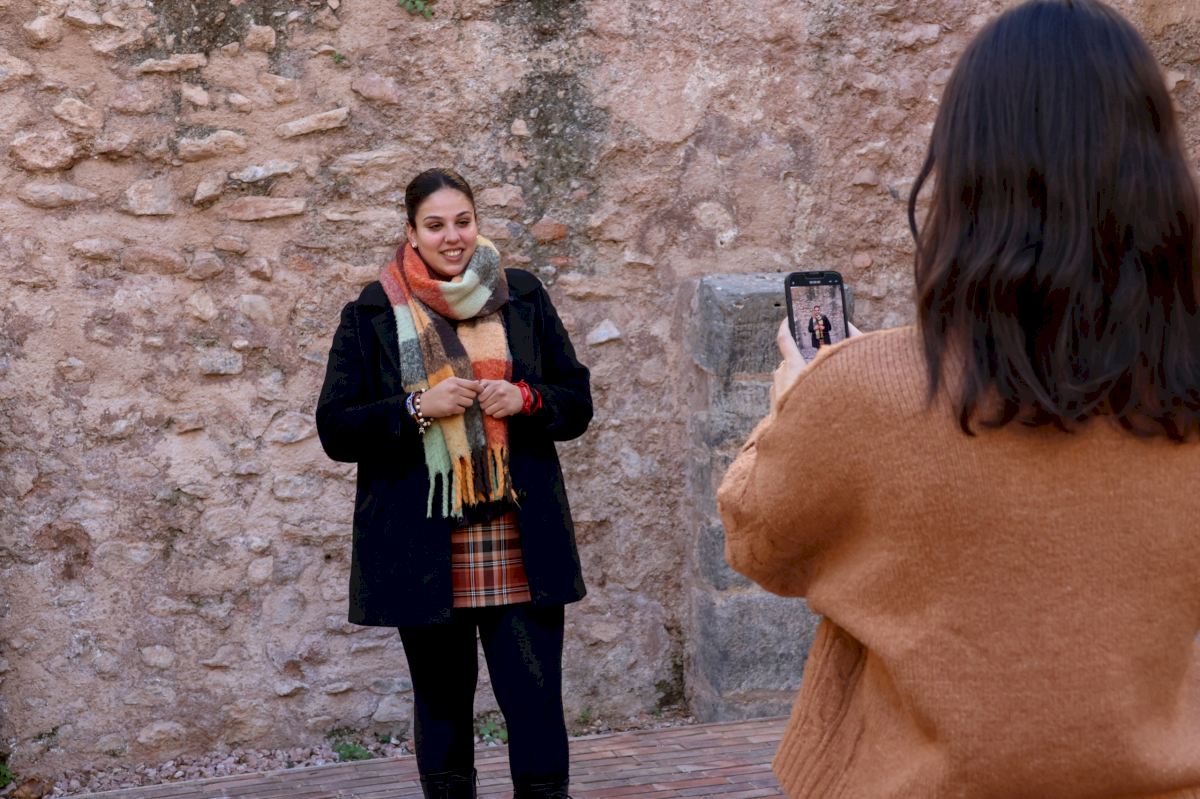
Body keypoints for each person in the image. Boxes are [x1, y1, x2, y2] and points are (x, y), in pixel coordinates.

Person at [717, 2, 1200, 797]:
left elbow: (761, 545)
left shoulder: (861, 388)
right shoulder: (1183, 385)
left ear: (966, 172)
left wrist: (794, 400)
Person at [316, 168, 591, 799]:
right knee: (441, 704)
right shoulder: (372, 312)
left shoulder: (522, 295)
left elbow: (576, 402)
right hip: (425, 545)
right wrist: (417, 407)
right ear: (411, 232)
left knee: (535, 700)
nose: (452, 236)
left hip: (520, 538)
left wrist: (525, 398)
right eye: (435, 225)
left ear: (476, 223)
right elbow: (336, 428)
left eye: (462, 222)